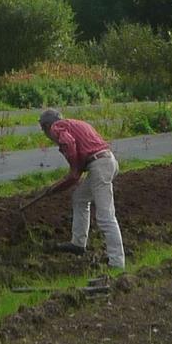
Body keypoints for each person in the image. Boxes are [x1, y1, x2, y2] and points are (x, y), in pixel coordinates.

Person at [36, 107, 124, 269]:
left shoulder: (57, 127)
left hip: (100, 165)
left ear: (47, 126)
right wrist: (63, 182)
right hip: (107, 161)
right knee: (80, 198)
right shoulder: (75, 124)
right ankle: (78, 244)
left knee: (105, 216)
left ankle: (117, 263)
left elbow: (69, 145)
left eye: (44, 130)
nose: (47, 135)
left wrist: (70, 172)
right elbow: (77, 168)